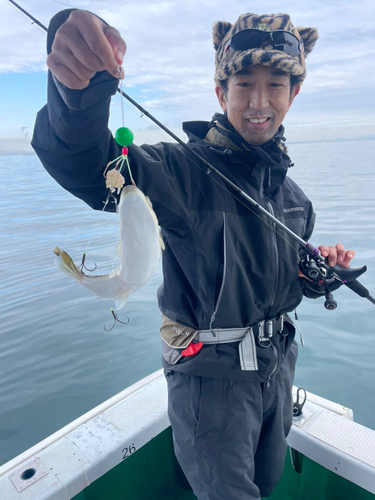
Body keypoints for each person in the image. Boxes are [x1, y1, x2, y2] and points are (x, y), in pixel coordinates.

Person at [32, 9, 355, 500]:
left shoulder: (295, 199)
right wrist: (79, 95)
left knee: (266, 486)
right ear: (221, 93)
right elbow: (85, 162)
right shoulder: (179, 172)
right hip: (211, 387)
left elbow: (274, 282)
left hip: (277, 375)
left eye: (275, 84)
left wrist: (313, 278)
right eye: (244, 83)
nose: (259, 101)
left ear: (294, 93)